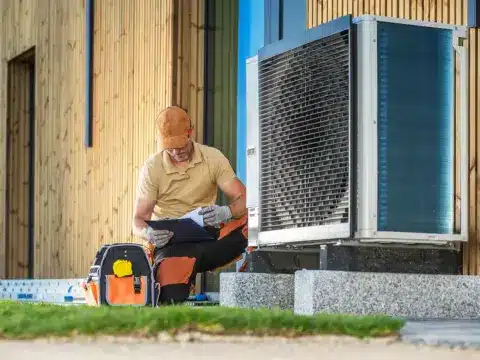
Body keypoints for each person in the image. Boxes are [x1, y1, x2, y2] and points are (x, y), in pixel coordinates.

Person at [131, 105, 249, 304]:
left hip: (211, 238)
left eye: (181, 145)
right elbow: (138, 220)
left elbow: (244, 198)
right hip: (171, 245)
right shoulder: (152, 168)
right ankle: (180, 279)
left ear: (191, 132)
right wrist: (148, 234)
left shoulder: (213, 157)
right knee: (170, 299)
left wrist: (227, 211)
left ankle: (253, 279)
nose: (176, 153)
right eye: (170, 148)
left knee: (253, 217)